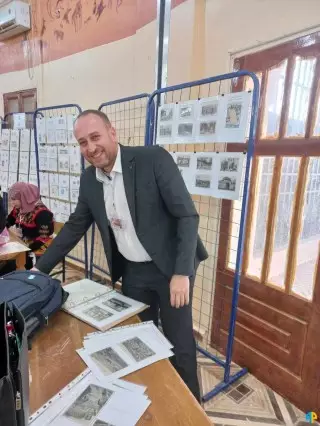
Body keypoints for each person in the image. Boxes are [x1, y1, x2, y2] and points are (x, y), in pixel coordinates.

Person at [34, 110, 208, 401]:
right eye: (82, 142)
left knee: (180, 345)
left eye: (95, 137)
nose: (90, 148)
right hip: (133, 272)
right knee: (139, 339)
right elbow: (75, 226)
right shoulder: (90, 180)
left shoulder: (152, 160)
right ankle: (157, 399)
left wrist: (181, 273)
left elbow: (187, 216)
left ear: (112, 133)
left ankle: (194, 413)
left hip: (170, 268)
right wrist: (39, 271)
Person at [6, 182, 54, 270]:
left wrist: (25, 248)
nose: (12, 203)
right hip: (24, 244)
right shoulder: (20, 208)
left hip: (38, 247)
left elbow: (44, 237)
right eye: (11, 199)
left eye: (14, 199)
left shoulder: (42, 213)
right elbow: (9, 220)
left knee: (22, 264)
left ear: (24, 197)